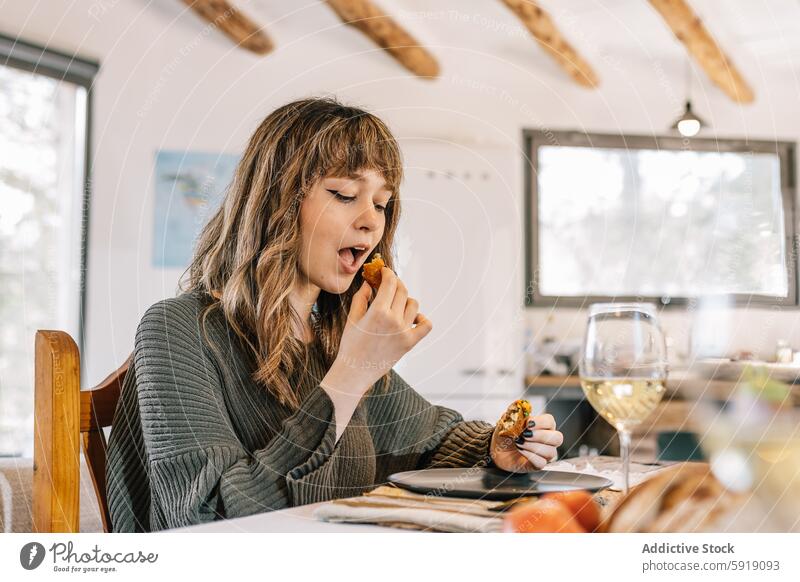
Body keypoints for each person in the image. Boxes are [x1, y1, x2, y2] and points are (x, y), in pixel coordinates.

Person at [105, 96, 563, 532]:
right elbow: (208, 517)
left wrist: (496, 448)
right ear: (276, 202)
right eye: (345, 194)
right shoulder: (174, 330)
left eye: (382, 204)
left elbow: (426, 441)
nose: (372, 221)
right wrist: (350, 374)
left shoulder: (326, 336)